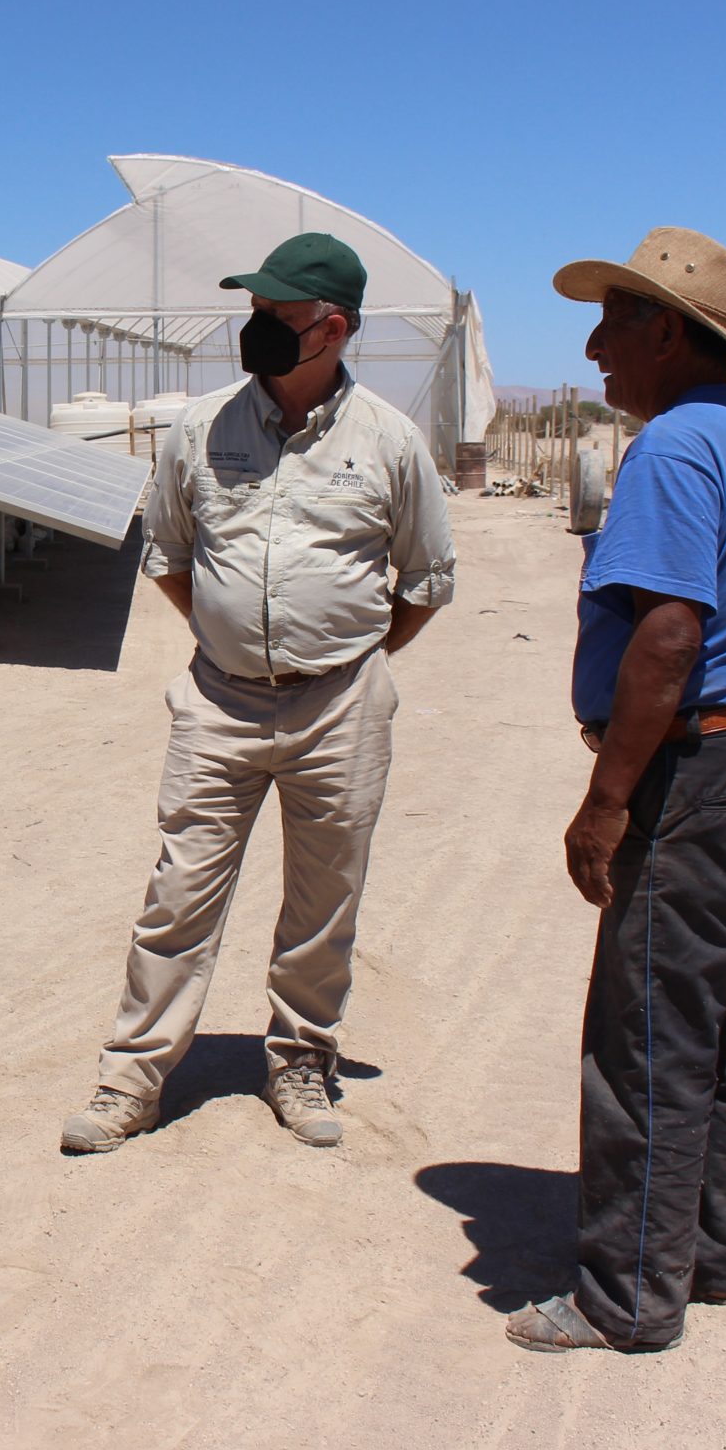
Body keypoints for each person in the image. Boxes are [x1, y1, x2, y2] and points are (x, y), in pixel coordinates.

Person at [60, 233, 455, 1154]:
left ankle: (301, 1060)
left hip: (340, 706)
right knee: (179, 892)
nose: (257, 326)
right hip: (219, 702)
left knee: (325, 899)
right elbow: (170, 557)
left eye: (279, 315)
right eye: (255, 310)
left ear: (334, 329)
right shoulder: (200, 430)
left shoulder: (390, 442)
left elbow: (425, 581)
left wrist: (344, 657)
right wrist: (232, 638)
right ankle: (132, 1077)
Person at [504, 227, 726, 1354]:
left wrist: (607, 799)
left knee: (646, 1034)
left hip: (701, 775)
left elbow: (669, 637)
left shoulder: (674, 448)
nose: (595, 349)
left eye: (613, 324)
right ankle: (721, 1255)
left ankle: (627, 1295)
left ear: (669, 334)